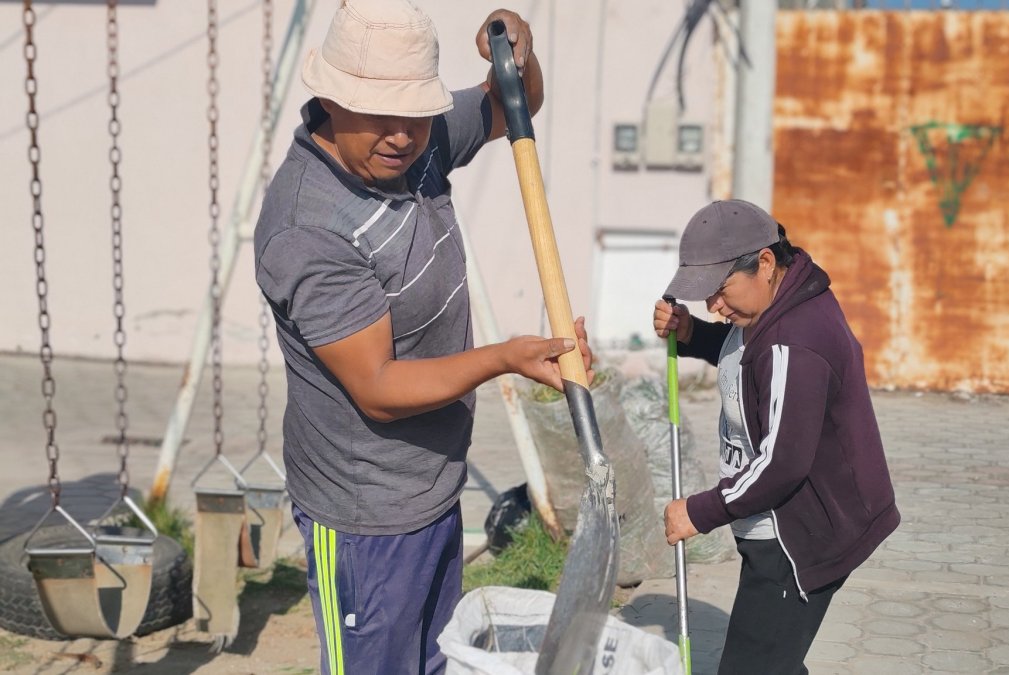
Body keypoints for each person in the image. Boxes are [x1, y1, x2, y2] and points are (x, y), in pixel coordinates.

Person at [253, 2, 592, 673]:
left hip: (434, 489)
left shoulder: (417, 139)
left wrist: (515, 56)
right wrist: (506, 357)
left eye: (414, 114)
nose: (402, 135)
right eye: (382, 115)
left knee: (434, 663)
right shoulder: (309, 227)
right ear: (329, 99)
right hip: (364, 517)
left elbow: (515, 104)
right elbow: (377, 387)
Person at [653, 200, 900, 675]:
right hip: (774, 520)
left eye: (720, 291)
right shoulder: (774, 304)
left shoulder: (796, 339)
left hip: (800, 537)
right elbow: (748, 361)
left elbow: (782, 463)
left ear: (765, 263)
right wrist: (692, 335)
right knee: (774, 663)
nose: (714, 306)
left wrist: (698, 512)